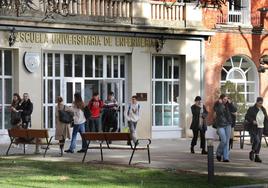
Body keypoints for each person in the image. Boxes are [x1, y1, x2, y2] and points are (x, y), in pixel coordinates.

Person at [245, 97, 268, 163]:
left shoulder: (263, 109)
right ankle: (252, 151)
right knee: (257, 140)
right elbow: (247, 117)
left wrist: (266, 128)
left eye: (261, 103)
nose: (261, 104)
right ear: (257, 102)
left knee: (259, 142)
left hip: (261, 127)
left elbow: (266, 119)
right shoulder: (251, 109)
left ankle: (257, 156)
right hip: (253, 128)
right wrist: (252, 121)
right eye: (259, 103)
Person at [213, 94, 232, 162]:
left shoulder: (228, 104)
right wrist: (220, 104)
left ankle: (226, 157)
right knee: (223, 140)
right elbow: (219, 112)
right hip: (220, 125)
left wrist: (231, 103)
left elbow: (234, 109)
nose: (225, 101)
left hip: (228, 124)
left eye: (226, 99)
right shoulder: (217, 105)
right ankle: (218, 153)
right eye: (224, 99)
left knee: (227, 141)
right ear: (220, 99)